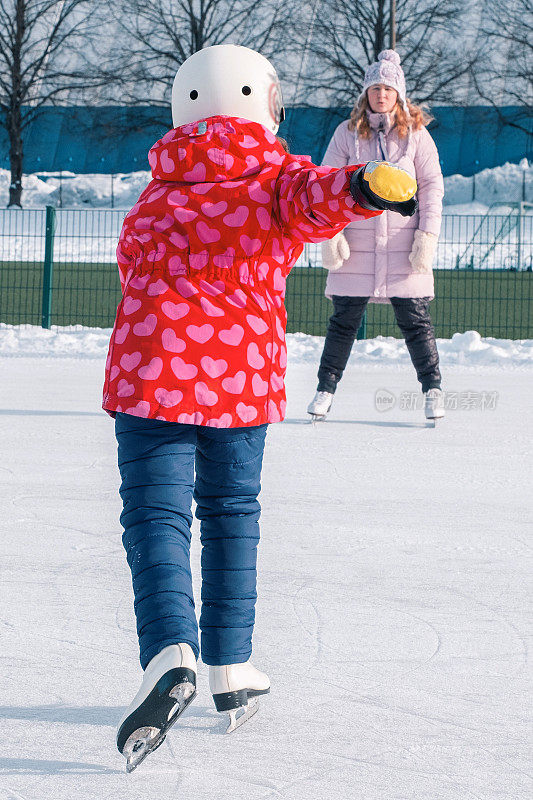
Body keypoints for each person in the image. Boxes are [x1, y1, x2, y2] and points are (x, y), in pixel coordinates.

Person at [102, 43, 418, 771]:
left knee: (155, 516)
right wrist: (368, 185)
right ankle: (231, 664)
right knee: (230, 514)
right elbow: (316, 197)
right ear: (254, 98)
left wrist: (357, 185)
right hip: (236, 379)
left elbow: (130, 263)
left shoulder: (161, 184)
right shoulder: (270, 175)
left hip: (151, 374)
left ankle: (169, 654)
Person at [307, 50, 445, 422]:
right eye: (374, 88)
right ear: (365, 94)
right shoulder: (346, 135)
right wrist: (331, 235)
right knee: (343, 322)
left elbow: (431, 185)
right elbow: (325, 185)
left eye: (387, 88)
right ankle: (325, 390)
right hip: (358, 245)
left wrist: (426, 235)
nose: (380, 94)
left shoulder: (416, 135)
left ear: (398, 94)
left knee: (416, 321)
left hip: (403, 245)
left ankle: (433, 389)